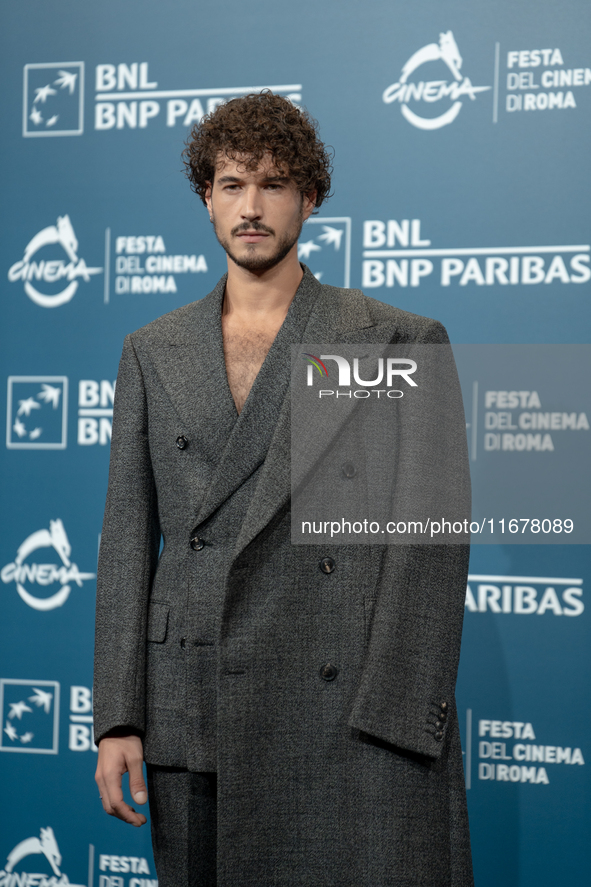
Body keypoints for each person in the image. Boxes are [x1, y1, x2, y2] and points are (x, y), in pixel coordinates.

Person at [94, 91, 473, 887]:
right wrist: (119, 717)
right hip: (195, 708)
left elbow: (429, 547)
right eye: (232, 184)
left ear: (311, 196)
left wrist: (398, 717)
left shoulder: (399, 340)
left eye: (274, 183)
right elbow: (129, 540)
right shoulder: (151, 350)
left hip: (346, 716)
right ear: (206, 198)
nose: (252, 206)